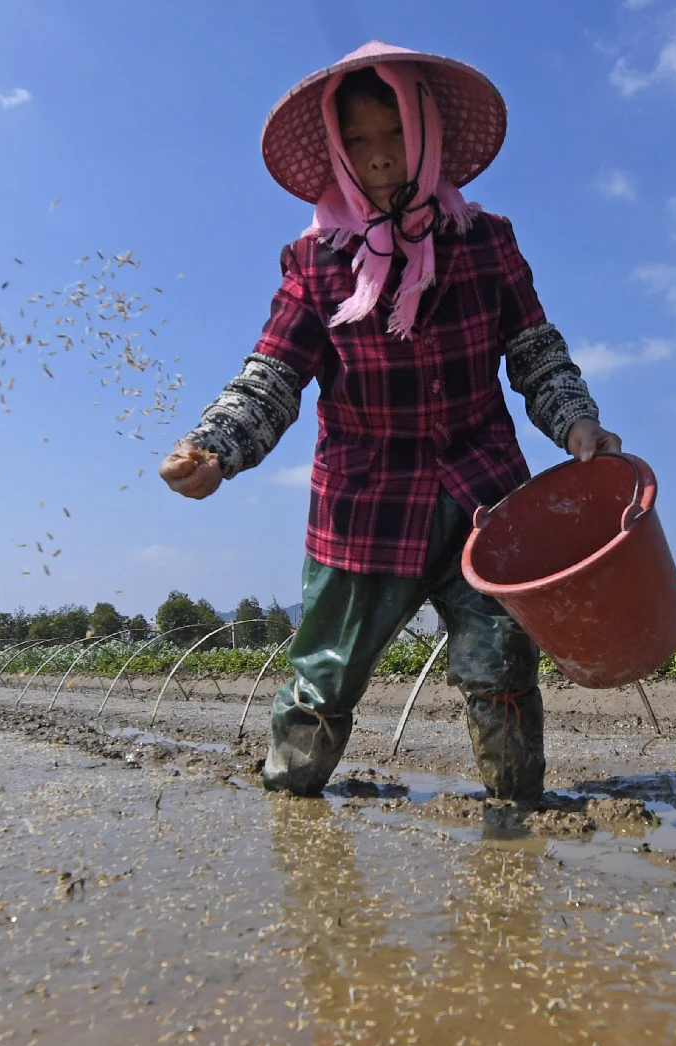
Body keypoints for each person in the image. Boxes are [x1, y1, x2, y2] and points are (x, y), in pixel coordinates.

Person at [160, 42, 621, 802]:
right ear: (339, 154)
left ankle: (516, 816)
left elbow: (536, 352)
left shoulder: (487, 242)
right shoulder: (316, 262)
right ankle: (291, 805)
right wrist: (216, 447)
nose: (378, 157)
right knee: (326, 674)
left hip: (483, 498)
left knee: (501, 665)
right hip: (365, 505)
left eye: (395, 133)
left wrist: (577, 423)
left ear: (427, 133)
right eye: (359, 141)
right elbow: (273, 374)